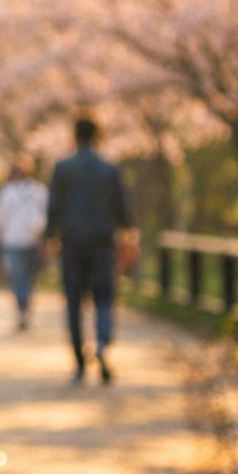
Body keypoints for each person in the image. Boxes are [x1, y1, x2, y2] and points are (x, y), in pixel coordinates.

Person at [44, 116, 136, 384]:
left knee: (73, 301)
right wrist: (129, 233)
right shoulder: (109, 168)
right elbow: (122, 208)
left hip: (72, 244)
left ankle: (80, 361)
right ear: (98, 136)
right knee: (104, 297)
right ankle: (103, 344)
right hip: (103, 244)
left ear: (75, 136)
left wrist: (51, 237)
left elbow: (54, 208)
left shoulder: (62, 168)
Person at [0, 156, 49, 330]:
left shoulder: (8, 192)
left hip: (13, 240)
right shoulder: (39, 191)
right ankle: (25, 307)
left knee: (19, 277)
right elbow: (47, 215)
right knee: (29, 278)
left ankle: (23, 308)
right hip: (32, 239)